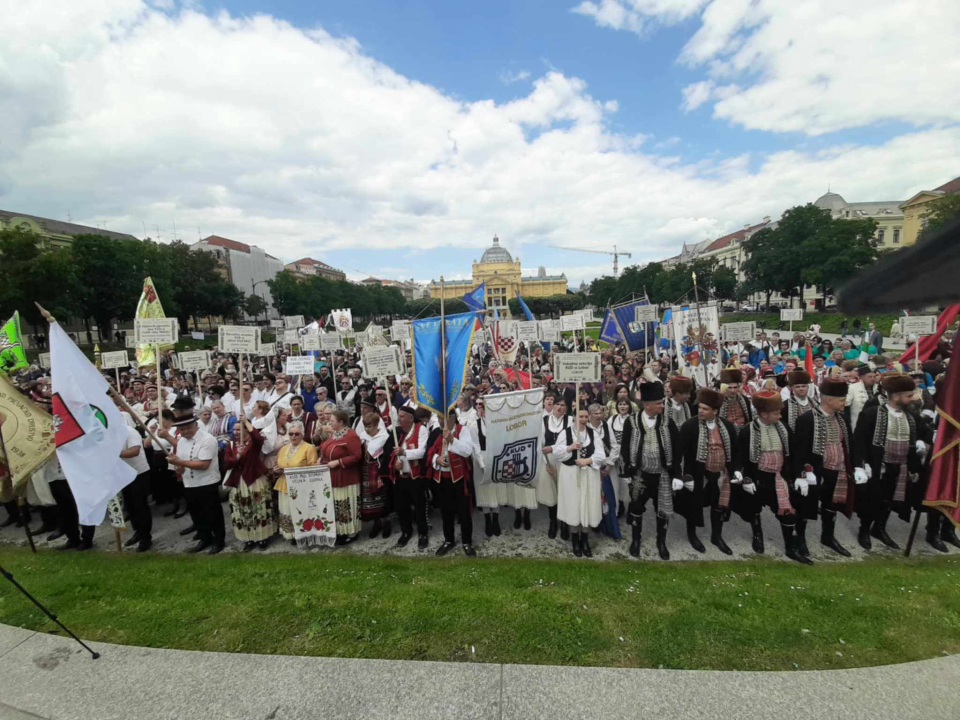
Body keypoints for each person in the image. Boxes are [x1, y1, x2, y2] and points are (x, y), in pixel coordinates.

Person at [852, 373, 923, 551]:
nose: (912, 398)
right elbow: (859, 442)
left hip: (901, 466)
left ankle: (879, 528)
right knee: (871, 500)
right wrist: (861, 465)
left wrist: (922, 441)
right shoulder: (871, 414)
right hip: (878, 466)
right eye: (908, 395)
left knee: (889, 500)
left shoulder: (912, 416)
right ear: (896, 396)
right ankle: (864, 529)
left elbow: (925, 432)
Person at [735, 390, 809, 563]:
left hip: (778, 477)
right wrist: (746, 478)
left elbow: (794, 453)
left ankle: (790, 547)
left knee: (787, 513)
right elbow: (741, 457)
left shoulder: (784, 428)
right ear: (763, 414)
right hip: (758, 478)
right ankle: (757, 535)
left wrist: (799, 475)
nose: (780, 415)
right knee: (754, 509)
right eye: (776, 413)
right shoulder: (747, 431)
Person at [793, 377, 861, 558]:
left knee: (831, 504)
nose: (845, 402)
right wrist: (801, 474)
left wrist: (858, 466)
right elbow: (799, 450)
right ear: (829, 400)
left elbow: (850, 444)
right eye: (841, 399)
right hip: (814, 471)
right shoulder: (807, 419)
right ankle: (800, 538)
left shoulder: (842, 418)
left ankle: (828, 536)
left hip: (837, 468)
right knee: (806, 505)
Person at [619, 381, 681, 560]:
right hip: (640, 474)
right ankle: (635, 540)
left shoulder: (668, 422)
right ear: (647, 405)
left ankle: (661, 542)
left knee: (662, 510)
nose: (663, 405)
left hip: (662, 474)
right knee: (636, 507)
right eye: (659, 403)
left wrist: (677, 475)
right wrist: (626, 472)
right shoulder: (632, 421)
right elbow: (625, 447)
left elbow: (677, 449)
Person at [677, 387, 739, 555]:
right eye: (700, 407)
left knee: (718, 505)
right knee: (693, 504)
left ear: (715, 411)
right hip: (698, 474)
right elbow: (680, 453)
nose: (700, 411)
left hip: (720, 474)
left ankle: (716, 536)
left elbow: (735, 450)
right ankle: (692, 535)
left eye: (705, 409)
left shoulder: (727, 426)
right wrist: (684, 476)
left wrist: (736, 470)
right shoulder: (689, 426)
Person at [166, 414, 225, 554]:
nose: (185, 432)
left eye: (188, 428)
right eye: (182, 429)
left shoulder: (207, 439)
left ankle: (219, 540)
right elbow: (181, 464)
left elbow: (204, 464)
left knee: (212, 513)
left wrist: (179, 462)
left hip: (207, 482)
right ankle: (205, 538)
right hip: (189, 483)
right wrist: (178, 467)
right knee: (197, 514)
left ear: (196, 426)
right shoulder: (181, 441)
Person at [553, 408, 606, 557]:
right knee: (573, 505)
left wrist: (588, 460)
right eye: (580, 416)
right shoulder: (565, 433)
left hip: (589, 475)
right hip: (570, 475)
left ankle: (585, 539)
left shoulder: (593, 433)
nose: (583, 419)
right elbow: (557, 453)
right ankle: (575, 539)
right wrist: (570, 448)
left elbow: (601, 454)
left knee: (588, 504)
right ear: (573, 418)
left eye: (585, 416)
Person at [427, 409, 478, 557]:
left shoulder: (462, 430)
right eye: (439, 417)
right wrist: (436, 459)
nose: (440, 420)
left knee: (464, 512)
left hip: (459, 479)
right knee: (446, 512)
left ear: (453, 417)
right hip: (442, 479)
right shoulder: (436, 432)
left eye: (443, 417)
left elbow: (467, 451)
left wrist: (452, 440)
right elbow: (429, 452)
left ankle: (467, 542)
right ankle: (449, 540)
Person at [223, 414, 277, 551]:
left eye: (239, 429)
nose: (235, 432)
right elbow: (226, 464)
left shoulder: (254, 443)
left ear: (246, 430)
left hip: (254, 478)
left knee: (259, 507)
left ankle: (263, 537)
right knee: (242, 509)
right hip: (238, 481)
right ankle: (248, 538)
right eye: (234, 430)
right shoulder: (231, 444)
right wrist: (237, 456)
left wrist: (246, 422)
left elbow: (259, 438)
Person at [321, 410, 364, 546]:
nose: (330, 423)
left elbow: (356, 455)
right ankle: (341, 530)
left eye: (332, 421)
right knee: (337, 504)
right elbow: (327, 448)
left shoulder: (351, 436)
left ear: (341, 422)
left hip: (347, 476)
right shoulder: (334, 434)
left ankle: (351, 532)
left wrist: (338, 462)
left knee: (346, 503)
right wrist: (322, 458)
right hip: (333, 474)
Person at [273, 419, 318, 546]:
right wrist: (276, 470)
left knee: (300, 511)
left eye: (297, 434)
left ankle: (303, 534)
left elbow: (313, 469)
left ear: (302, 434)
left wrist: (292, 471)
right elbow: (278, 464)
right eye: (291, 434)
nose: (293, 436)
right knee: (287, 510)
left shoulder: (309, 448)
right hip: (284, 484)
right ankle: (291, 533)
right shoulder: (283, 449)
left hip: (301, 486)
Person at [390, 405, 430, 548]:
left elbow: (422, 452)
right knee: (402, 507)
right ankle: (406, 532)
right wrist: (395, 465)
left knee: (419, 506)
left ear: (410, 418)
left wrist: (404, 452)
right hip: (401, 477)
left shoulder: (421, 429)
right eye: (398, 416)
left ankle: (423, 533)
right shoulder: (397, 432)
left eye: (401, 416)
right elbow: (390, 454)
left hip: (416, 476)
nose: (399, 419)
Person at [538, 393, 570, 540]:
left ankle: (564, 522)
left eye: (562, 405)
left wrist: (553, 448)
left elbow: (571, 442)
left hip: (565, 459)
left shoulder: (570, 421)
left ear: (566, 408)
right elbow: (540, 443)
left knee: (564, 491)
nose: (559, 407)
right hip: (549, 460)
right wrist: (546, 463)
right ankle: (553, 522)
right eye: (557, 404)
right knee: (551, 492)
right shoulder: (544, 420)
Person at [588, 403, 621, 541]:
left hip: (607, 466)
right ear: (590, 415)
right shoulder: (585, 427)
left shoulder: (606, 426)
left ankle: (610, 521)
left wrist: (609, 464)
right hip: (592, 466)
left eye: (600, 413)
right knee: (594, 494)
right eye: (595, 413)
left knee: (610, 495)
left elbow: (614, 446)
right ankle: (595, 521)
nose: (598, 415)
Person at [357, 407, 392, 539]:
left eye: (370, 426)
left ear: (377, 425)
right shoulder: (363, 437)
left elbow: (387, 455)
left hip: (379, 470)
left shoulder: (384, 437)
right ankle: (376, 523)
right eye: (365, 426)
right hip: (366, 471)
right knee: (369, 499)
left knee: (381, 496)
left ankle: (386, 522)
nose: (367, 429)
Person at [119, 422, 153, 553]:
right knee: (130, 506)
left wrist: (114, 454)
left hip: (138, 473)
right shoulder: (110, 434)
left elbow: (135, 451)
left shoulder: (130, 431)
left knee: (140, 505)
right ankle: (138, 531)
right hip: (123, 473)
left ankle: (146, 537)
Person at [718, 368, 753, 435]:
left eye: (735, 387)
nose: (733, 391)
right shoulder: (719, 401)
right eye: (730, 388)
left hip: (744, 432)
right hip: (727, 433)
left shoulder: (745, 400)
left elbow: (749, 417)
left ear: (738, 387)